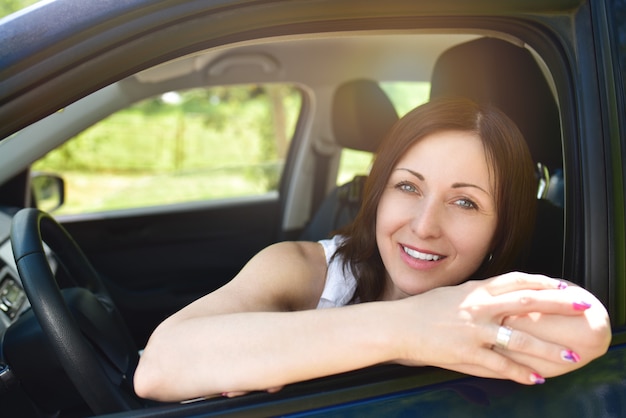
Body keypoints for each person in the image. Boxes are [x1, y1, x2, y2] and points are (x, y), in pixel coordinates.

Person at [133, 98, 611, 402]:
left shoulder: (487, 301)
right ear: (378, 192)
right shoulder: (303, 269)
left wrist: (270, 349)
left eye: (465, 202)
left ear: (501, 228)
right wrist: (409, 330)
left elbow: (590, 327)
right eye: (407, 187)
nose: (424, 226)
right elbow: (158, 369)